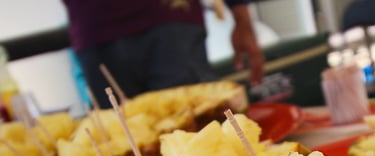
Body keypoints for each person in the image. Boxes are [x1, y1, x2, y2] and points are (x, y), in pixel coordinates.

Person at [61, 0, 264, 106]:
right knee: (126, 146)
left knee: (201, 137)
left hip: (169, 17)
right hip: (93, 29)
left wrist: (241, 16)